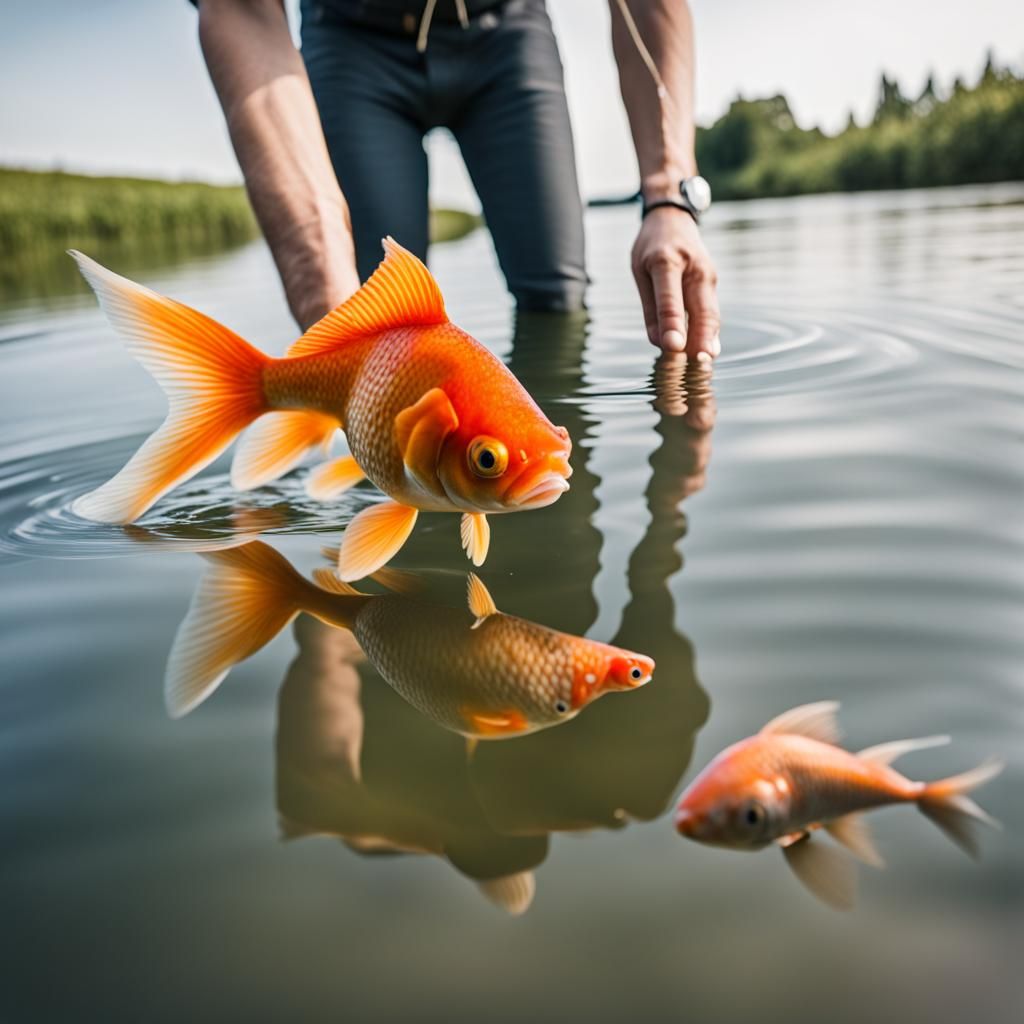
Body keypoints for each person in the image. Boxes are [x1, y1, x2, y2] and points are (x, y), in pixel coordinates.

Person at [194, 0, 720, 359]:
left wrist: (668, 196)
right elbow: (239, 8)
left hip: (507, 29)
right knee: (375, 326)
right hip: (349, 37)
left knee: (557, 298)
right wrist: (326, 308)